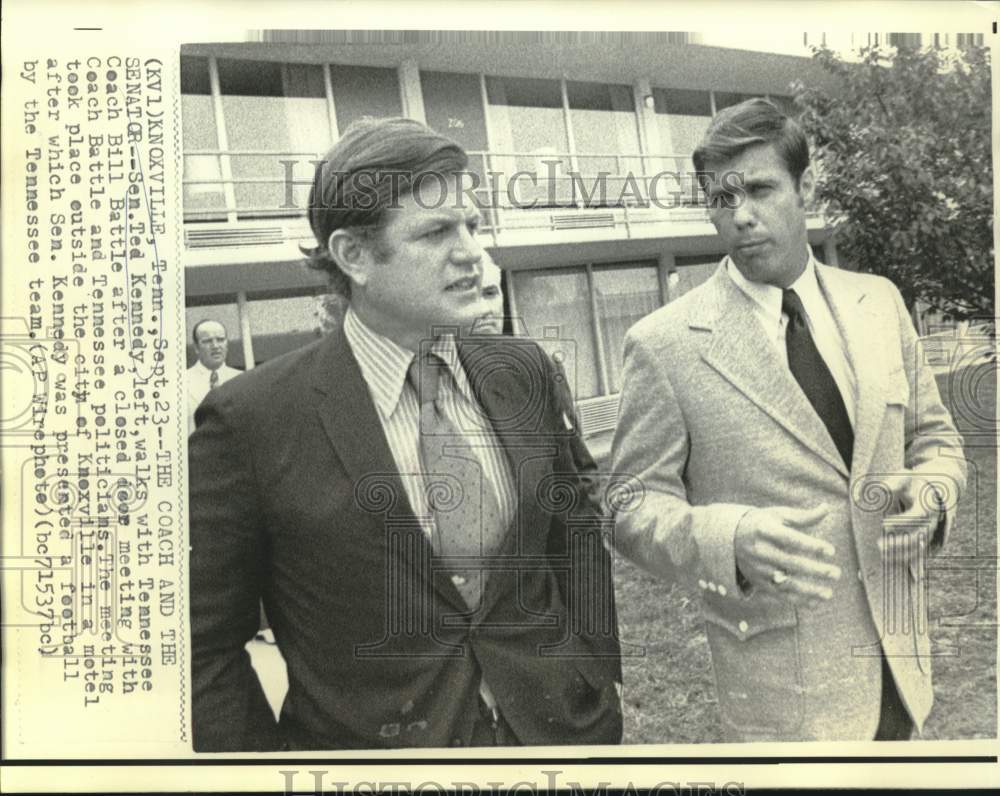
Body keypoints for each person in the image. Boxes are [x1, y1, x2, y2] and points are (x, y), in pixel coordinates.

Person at [188, 117, 622, 751]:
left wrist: (597, 682)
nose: (472, 252)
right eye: (436, 231)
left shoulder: (522, 371)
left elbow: (576, 542)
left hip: (563, 741)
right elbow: (204, 649)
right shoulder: (250, 420)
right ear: (354, 256)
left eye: (472, 225)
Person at [610, 98, 967, 742]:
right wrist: (725, 537)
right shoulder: (663, 343)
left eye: (759, 189)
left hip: (900, 670)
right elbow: (629, 508)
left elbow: (934, 438)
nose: (740, 215)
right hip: (784, 702)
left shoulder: (878, 301)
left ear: (806, 187)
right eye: (720, 199)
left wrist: (935, 489)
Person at [186, 319, 241, 435]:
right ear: (196, 347)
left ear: (227, 344)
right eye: (207, 341)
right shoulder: (180, 382)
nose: (215, 346)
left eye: (220, 340)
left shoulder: (242, 379)